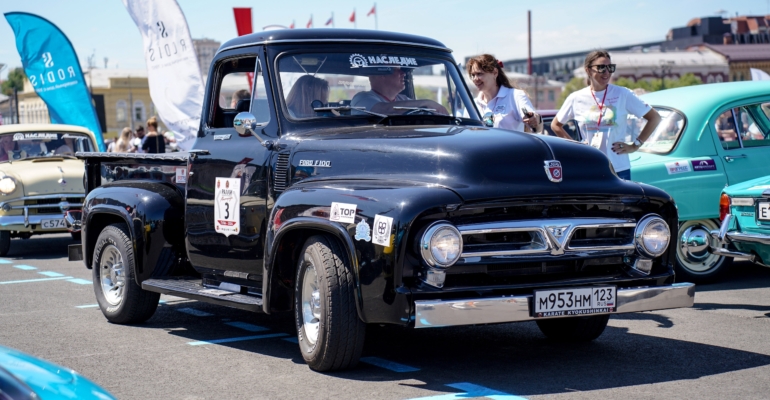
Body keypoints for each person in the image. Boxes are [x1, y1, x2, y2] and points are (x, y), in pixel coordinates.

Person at [551, 50, 661, 180]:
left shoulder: (623, 94)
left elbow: (655, 117)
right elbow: (556, 125)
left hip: (619, 168)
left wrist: (635, 145)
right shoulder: (576, 98)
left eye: (610, 68)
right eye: (601, 68)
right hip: (588, 168)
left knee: (622, 201)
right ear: (588, 70)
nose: (607, 72)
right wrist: (576, 147)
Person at [466, 54, 542, 133]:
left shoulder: (515, 96)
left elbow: (536, 127)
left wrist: (534, 120)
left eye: (479, 74)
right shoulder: (472, 104)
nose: (475, 79)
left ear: (495, 73)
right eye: (473, 75)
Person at [351, 67, 448, 115]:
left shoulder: (403, 99)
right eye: (396, 69)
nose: (404, 73)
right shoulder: (361, 98)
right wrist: (426, 103)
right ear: (381, 75)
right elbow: (382, 110)